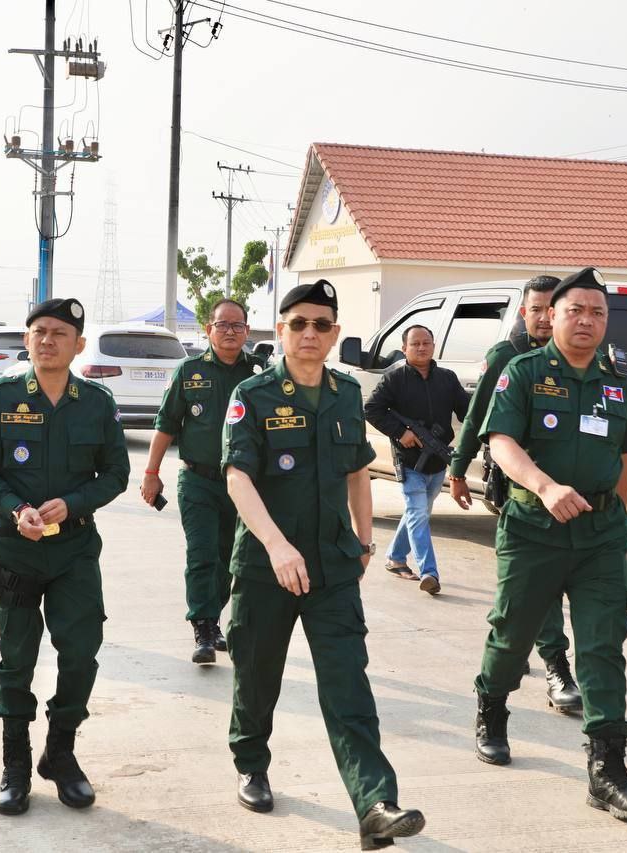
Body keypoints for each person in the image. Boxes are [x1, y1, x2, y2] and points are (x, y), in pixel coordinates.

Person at [223, 280, 425, 850]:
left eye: (321, 324)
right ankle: (251, 763)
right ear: (281, 330)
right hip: (266, 567)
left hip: (333, 567)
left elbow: (357, 470)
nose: (309, 333)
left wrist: (364, 540)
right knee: (257, 674)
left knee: (347, 685)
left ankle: (375, 804)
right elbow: (237, 477)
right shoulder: (253, 395)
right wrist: (276, 546)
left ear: (334, 334)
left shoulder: (344, 394)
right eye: (298, 323)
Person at [473, 267, 627, 820]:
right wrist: (545, 487)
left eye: (598, 313)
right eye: (576, 310)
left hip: (599, 537)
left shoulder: (618, 380)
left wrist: (614, 514)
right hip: (533, 531)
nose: (586, 321)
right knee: (512, 634)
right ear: (552, 315)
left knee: (604, 646)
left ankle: (608, 771)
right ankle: (492, 706)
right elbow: (501, 442)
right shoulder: (524, 372)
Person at [0, 297, 129, 816]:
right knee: (16, 659)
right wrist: (15, 509)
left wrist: (74, 502)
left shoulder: (96, 403)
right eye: (39, 332)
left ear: (78, 345)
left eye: (60, 333)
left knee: (80, 653)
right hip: (16, 550)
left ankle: (60, 753)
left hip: (74, 550)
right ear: (27, 339)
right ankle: (15, 764)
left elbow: (117, 474)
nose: (47, 340)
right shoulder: (1, 396)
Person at [449, 275, 581, 710]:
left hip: (572, 493)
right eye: (535, 309)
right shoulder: (506, 357)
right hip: (521, 492)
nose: (543, 318)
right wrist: (457, 469)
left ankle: (512, 640)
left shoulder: (581, 360)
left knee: (525, 590)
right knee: (540, 586)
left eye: (550, 309)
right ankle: (557, 667)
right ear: (523, 313)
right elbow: (475, 417)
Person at [141, 298, 265, 664]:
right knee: (202, 554)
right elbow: (166, 424)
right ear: (208, 329)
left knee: (229, 558)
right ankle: (203, 626)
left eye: (237, 325)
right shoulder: (189, 371)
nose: (229, 331)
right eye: (222, 324)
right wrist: (151, 473)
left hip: (243, 486)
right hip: (198, 481)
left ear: (247, 330)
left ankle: (213, 618)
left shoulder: (259, 373)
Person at [364, 324, 468, 596]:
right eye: (415, 344)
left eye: (426, 343)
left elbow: (467, 410)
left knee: (417, 513)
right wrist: (401, 433)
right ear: (404, 349)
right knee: (418, 513)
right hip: (409, 461)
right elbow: (372, 409)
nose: (421, 348)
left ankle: (395, 557)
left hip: (437, 461)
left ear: (433, 346)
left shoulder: (447, 378)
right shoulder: (394, 379)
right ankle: (429, 572)